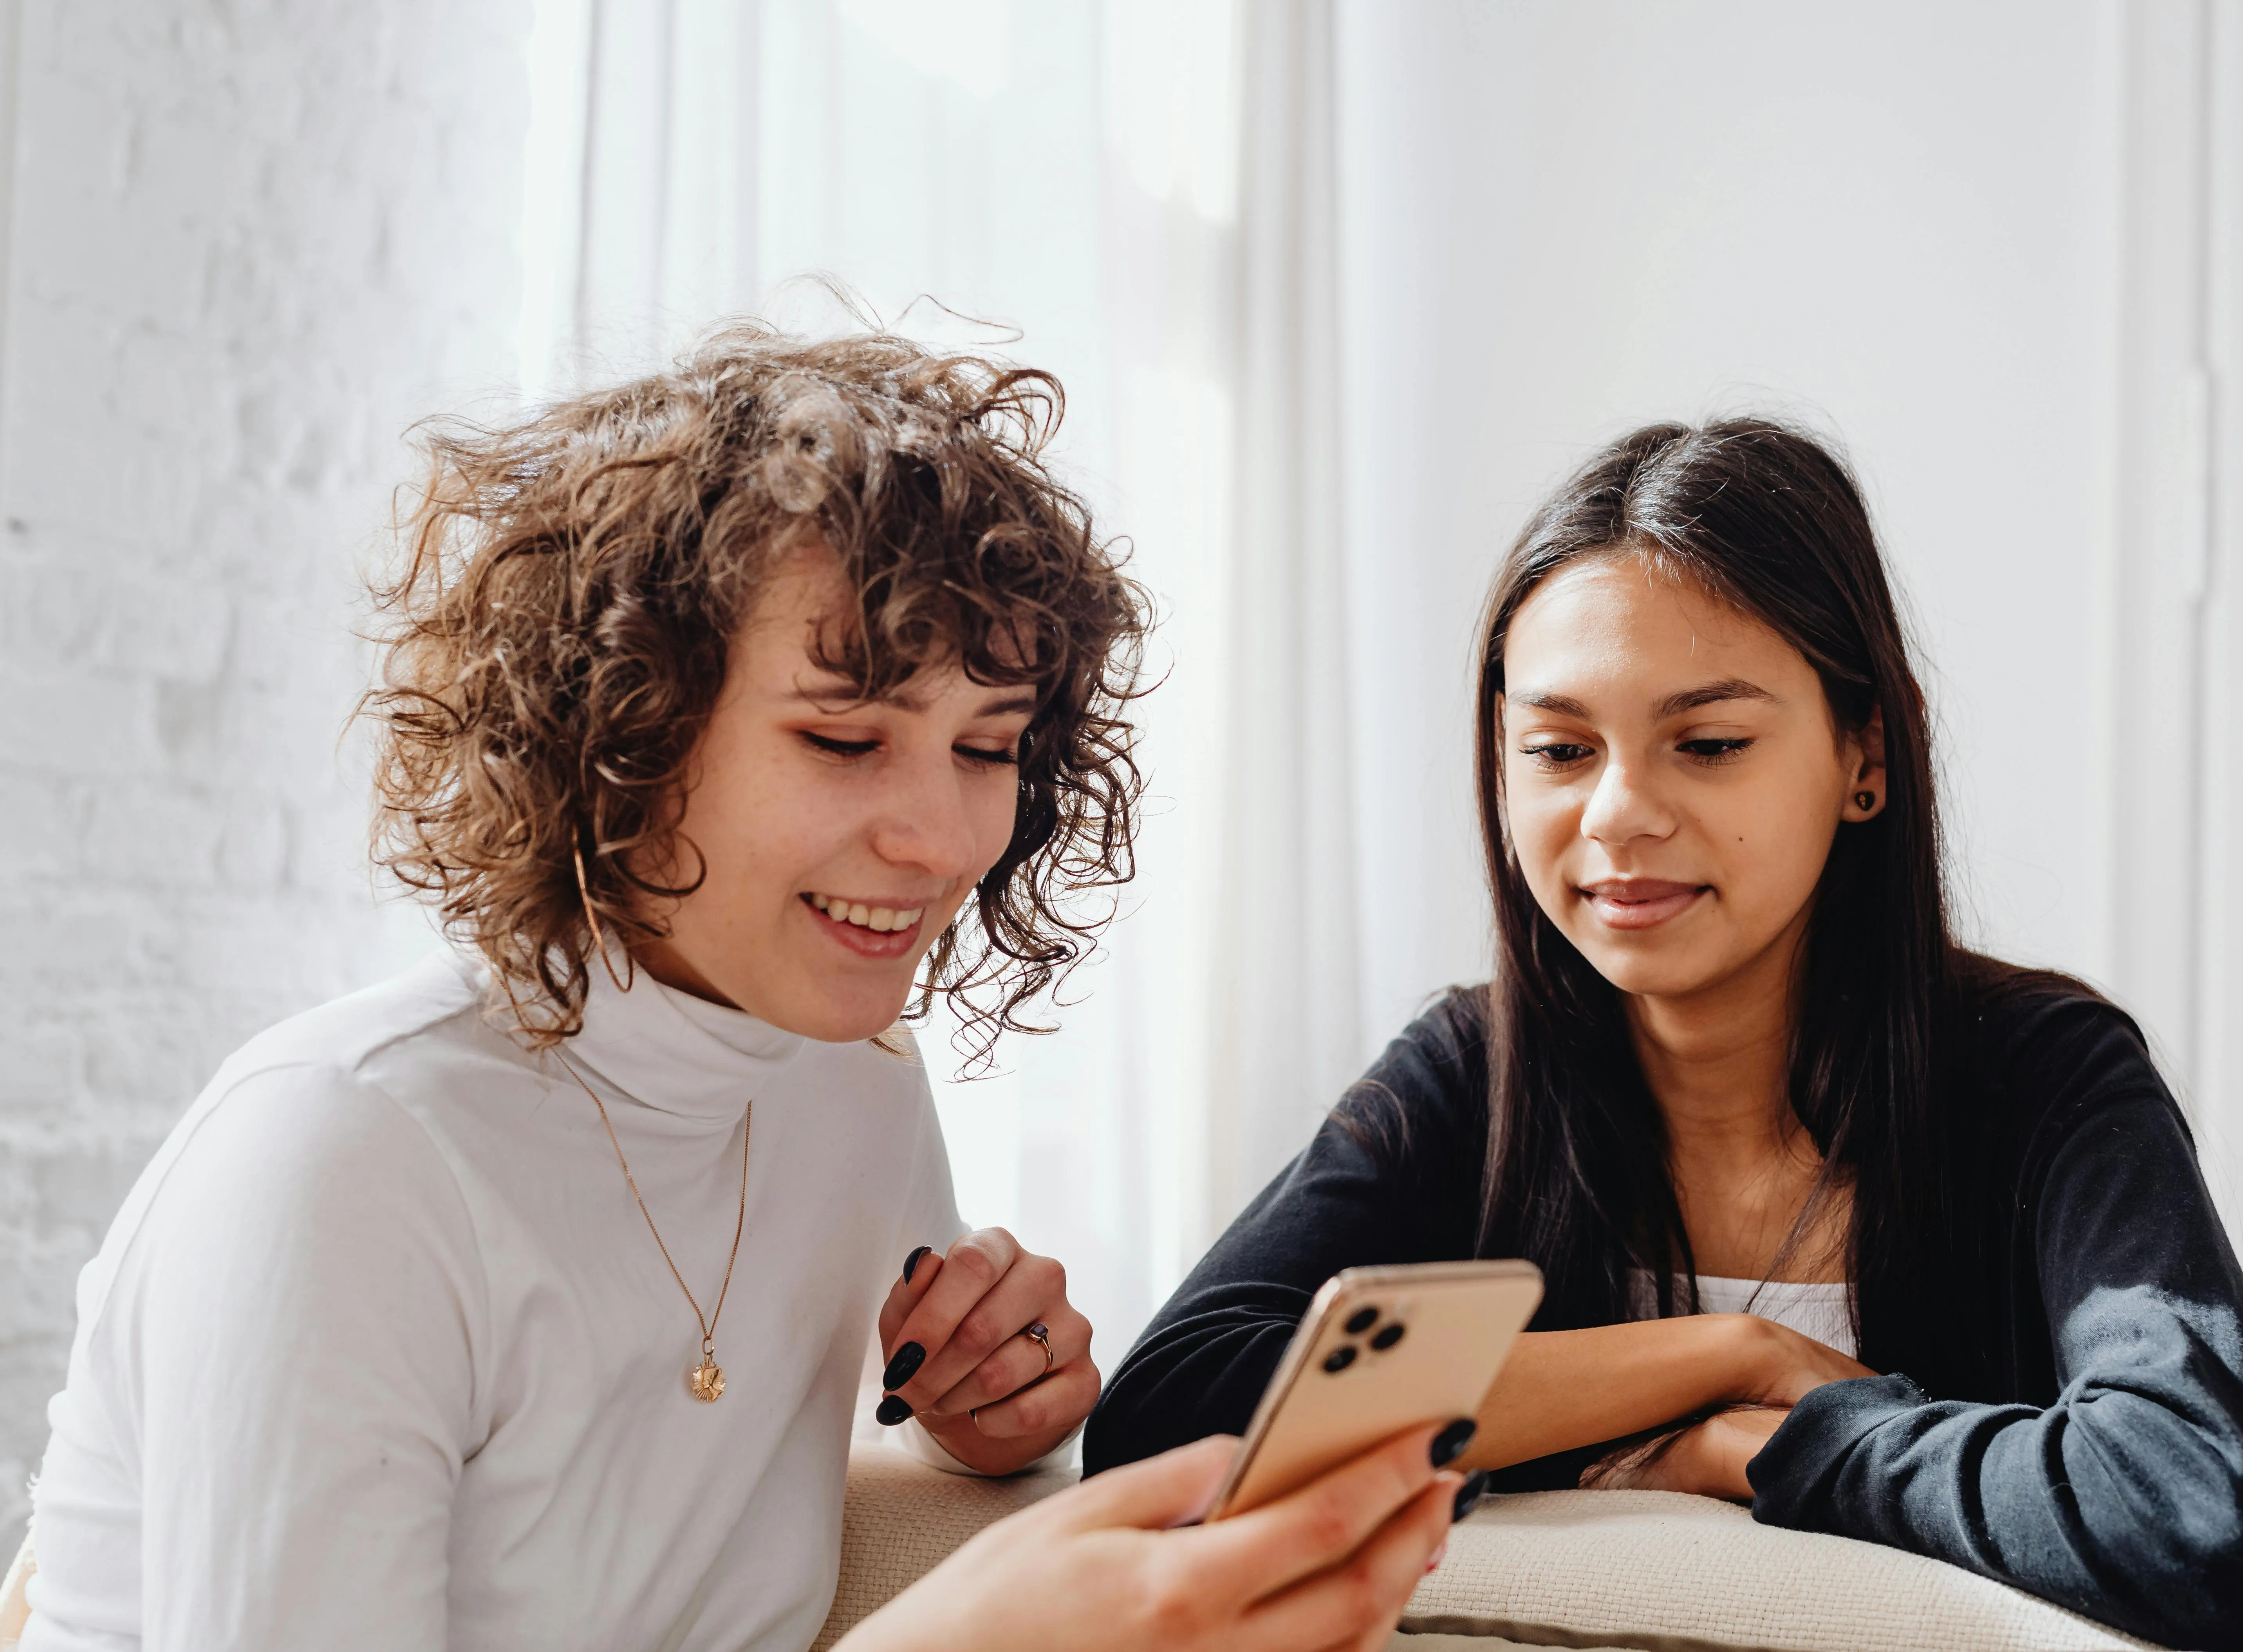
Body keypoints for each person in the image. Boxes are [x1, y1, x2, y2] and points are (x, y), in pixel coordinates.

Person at [19, 327, 1474, 1651]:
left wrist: (984, 1407)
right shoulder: (342, 1154)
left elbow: (849, 1423)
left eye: (986, 749)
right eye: (845, 741)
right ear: (619, 730)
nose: (946, 838)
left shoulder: (850, 1082)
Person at [1084, 420, 2243, 1652]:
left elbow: (2213, 1525)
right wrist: (1720, 1357)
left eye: (1708, 744)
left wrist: (1792, 1441)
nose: (1620, 813)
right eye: (1558, 748)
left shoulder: (2037, 1075)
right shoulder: (1472, 1073)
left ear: (1866, 753)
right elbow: (1167, 1423)